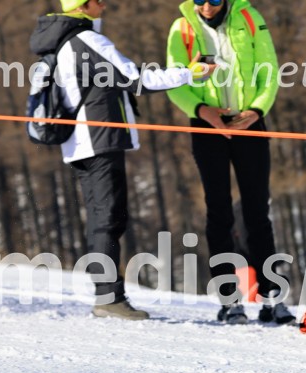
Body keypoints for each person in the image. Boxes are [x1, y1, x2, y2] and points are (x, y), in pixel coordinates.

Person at [30, 0, 213, 320]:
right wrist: (189, 73)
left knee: (102, 218)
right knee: (108, 219)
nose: (104, 4)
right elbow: (136, 79)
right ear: (84, 5)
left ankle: (106, 295)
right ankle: (108, 298)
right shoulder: (87, 40)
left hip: (80, 142)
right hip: (98, 140)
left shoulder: (64, 39)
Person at [166, 0, 294, 326]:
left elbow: (269, 70)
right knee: (219, 211)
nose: (207, 7)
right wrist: (203, 111)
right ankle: (229, 299)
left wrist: (256, 111)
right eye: (199, 0)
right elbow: (174, 83)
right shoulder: (182, 28)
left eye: (214, 0)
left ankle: (272, 296)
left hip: (248, 123)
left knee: (257, 212)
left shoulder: (249, 18)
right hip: (207, 126)